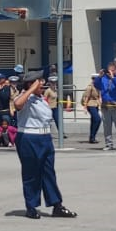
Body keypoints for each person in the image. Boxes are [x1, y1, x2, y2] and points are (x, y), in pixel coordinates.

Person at [11, 70, 77, 220]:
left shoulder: (41, 99)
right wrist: (32, 89)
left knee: (49, 172)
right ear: (31, 84)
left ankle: (56, 205)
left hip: (45, 137)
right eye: (39, 82)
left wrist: (36, 90)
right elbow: (17, 104)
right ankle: (31, 206)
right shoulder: (25, 97)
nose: (43, 84)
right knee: (31, 173)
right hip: (29, 137)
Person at [95, 62, 116, 150]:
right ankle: (108, 144)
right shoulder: (103, 78)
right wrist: (99, 76)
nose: (110, 72)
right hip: (106, 106)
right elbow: (96, 85)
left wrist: (113, 78)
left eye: (112, 70)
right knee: (107, 126)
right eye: (109, 70)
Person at [81, 78, 102, 145]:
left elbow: (99, 96)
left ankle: (92, 137)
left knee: (94, 121)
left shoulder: (98, 86)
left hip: (96, 105)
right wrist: (85, 107)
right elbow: (86, 97)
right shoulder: (90, 87)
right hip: (90, 104)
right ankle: (92, 137)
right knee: (97, 119)